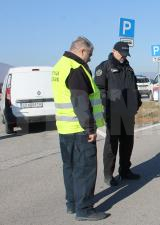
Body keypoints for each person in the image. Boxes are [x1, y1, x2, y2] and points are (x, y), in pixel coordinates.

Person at [51, 36, 109, 221]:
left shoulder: (60, 65)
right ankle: (84, 209)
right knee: (85, 169)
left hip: (65, 129)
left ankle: (72, 203)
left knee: (70, 167)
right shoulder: (76, 68)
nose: (90, 59)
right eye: (89, 55)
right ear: (82, 51)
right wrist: (90, 129)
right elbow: (80, 102)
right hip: (80, 129)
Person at [95, 41, 142, 187]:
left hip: (128, 113)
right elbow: (99, 89)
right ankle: (109, 175)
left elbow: (134, 88)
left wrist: (137, 103)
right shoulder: (104, 67)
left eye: (126, 54)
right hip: (113, 113)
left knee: (127, 144)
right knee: (112, 146)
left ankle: (125, 170)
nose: (123, 57)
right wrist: (108, 104)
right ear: (113, 51)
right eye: (121, 54)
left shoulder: (129, 68)